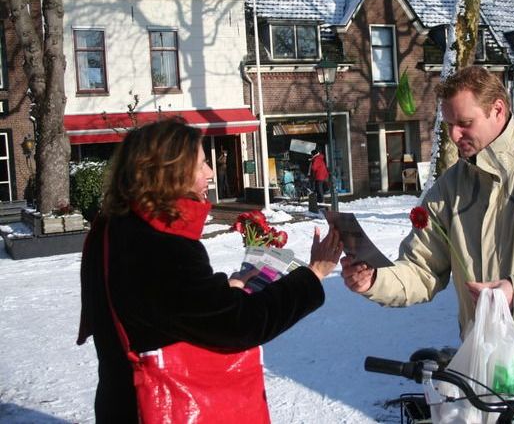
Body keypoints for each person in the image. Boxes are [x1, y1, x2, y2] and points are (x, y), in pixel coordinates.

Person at [341, 66, 514, 423]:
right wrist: (375, 281)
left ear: (498, 110)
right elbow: (422, 269)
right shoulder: (446, 192)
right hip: (492, 378)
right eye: (448, 124)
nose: (455, 135)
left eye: (465, 123)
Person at [77, 120, 343, 423]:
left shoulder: (118, 226)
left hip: (121, 401)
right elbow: (239, 325)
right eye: (202, 163)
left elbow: (172, 310)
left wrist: (224, 288)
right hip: (150, 407)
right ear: (172, 172)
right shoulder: (158, 244)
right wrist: (314, 275)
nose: (210, 173)